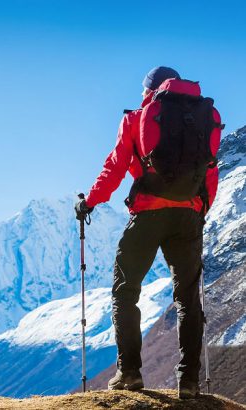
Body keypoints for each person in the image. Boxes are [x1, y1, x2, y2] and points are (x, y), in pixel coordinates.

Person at [75, 66, 223, 399]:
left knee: (125, 293)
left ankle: (129, 374)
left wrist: (90, 203)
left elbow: (115, 166)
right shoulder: (204, 119)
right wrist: (198, 210)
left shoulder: (137, 120)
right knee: (187, 298)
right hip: (187, 217)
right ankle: (189, 382)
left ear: (150, 90)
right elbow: (209, 170)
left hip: (148, 215)